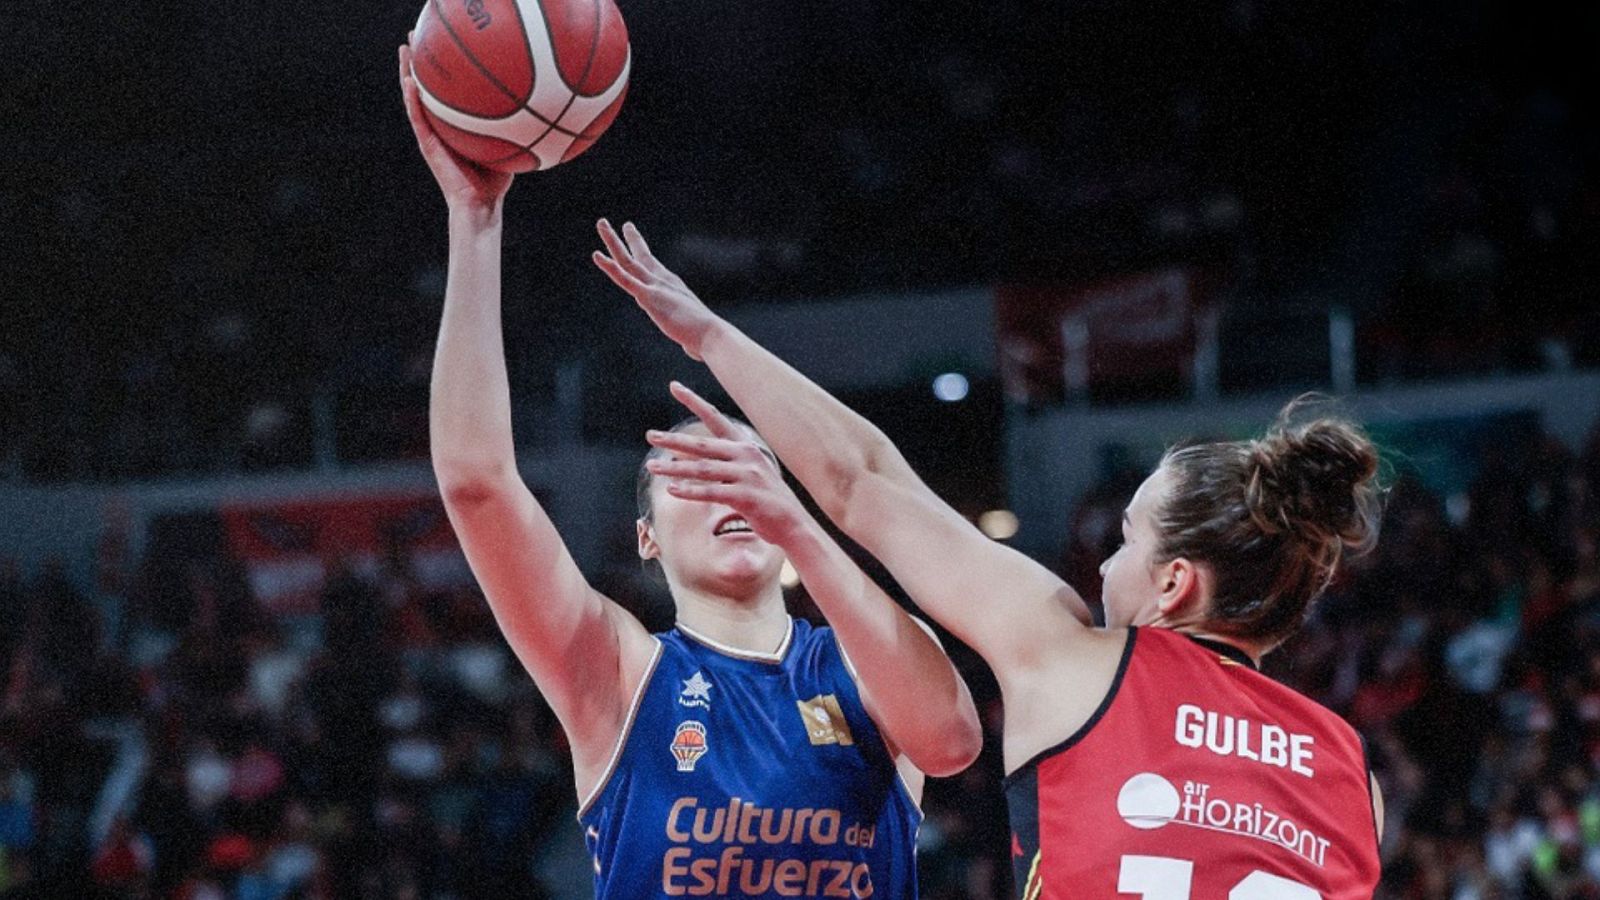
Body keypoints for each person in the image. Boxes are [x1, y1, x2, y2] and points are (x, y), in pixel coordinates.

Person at [593, 219, 1386, 898]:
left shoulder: (1073, 657)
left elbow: (861, 481)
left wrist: (710, 337)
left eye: (1126, 543)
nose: (1103, 567)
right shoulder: (1353, 775)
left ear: (1175, 585)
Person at [397, 47, 981, 900]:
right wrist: (475, 220)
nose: (723, 488)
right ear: (645, 538)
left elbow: (952, 742)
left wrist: (801, 530)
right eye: (689, 476)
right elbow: (479, 483)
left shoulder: (863, 662)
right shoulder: (619, 673)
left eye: (740, 469)